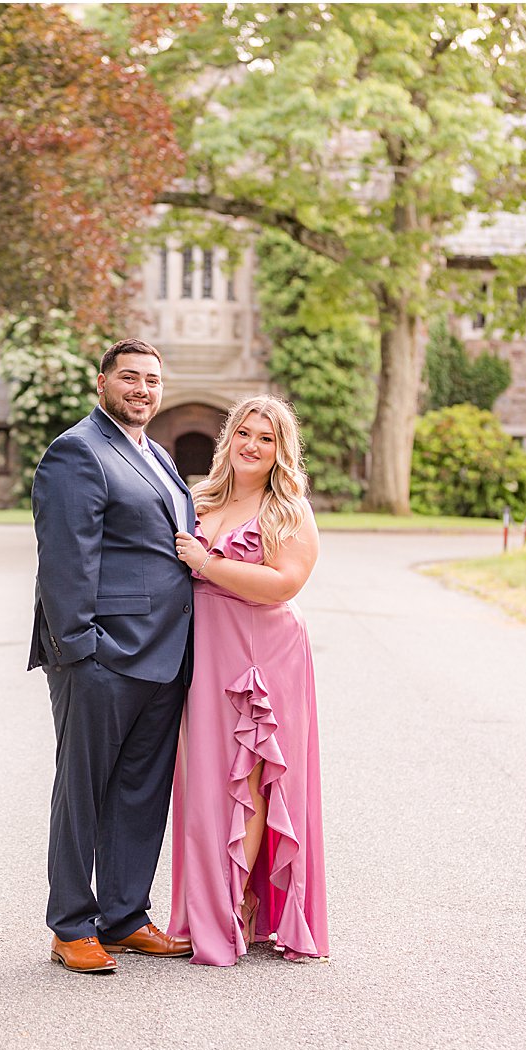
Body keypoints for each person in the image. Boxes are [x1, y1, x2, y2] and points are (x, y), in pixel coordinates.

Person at [29, 338, 195, 974]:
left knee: (141, 792)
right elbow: (65, 561)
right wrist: (80, 653)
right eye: (129, 378)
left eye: (152, 380)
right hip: (102, 658)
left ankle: (123, 916)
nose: (142, 389)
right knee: (82, 791)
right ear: (101, 382)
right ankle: (71, 925)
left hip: (165, 655)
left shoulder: (155, 455)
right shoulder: (78, 451)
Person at [168, 395, 330, 966]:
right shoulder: (199, 498)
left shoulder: (289, 510)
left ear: (280, 449)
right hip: (205, 652)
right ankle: (207, 906)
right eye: (244, 433)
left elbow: (284, 584)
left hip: (266, 651)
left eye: (266, 438)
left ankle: (233, 906)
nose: (252, 445)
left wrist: (207, 564)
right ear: (228, 439)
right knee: (207, 781)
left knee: (254, 776)